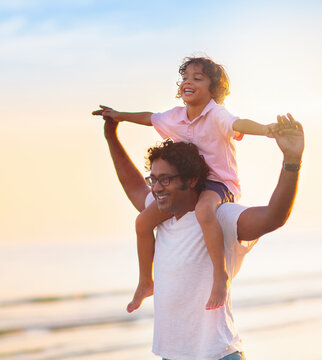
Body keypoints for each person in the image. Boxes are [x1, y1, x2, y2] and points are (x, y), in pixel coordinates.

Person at [101, 113, 304, 359]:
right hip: (171, 355)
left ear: (192, 181)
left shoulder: (220, 217)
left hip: (218, 355)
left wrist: (291, 161)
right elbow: (133, 185)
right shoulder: (161, 218)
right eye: (153, 179)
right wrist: (111, 136)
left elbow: (273, 216)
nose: (156, 188)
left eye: (165, 180)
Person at [93, 56, 278, 312]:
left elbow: (239, 123)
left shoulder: (217, 114)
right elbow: (149, 117)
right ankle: (146, 281)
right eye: (185, 78)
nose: (188, 82)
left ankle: (220, 277)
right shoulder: (176, 116)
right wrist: (118, 116)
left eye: (197, 78)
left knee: (204, 211)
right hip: (191, 185)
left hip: (219, 184)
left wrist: (268, 130)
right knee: (142, 222)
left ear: (213, 89)